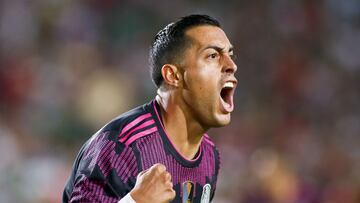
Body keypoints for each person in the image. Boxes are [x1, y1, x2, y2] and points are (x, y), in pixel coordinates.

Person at [62, 14, 237, 203]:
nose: (231, 66)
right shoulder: (120, 146)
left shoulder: (210, 156)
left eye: (230, 55)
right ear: (173, 75)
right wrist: (136, 201)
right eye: (212, 55)